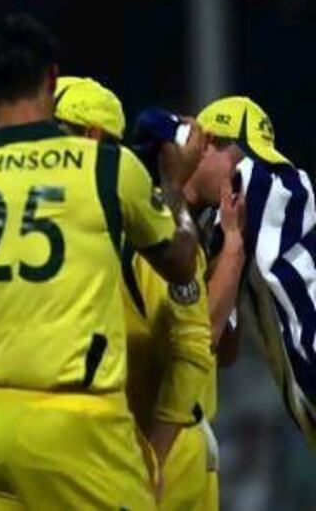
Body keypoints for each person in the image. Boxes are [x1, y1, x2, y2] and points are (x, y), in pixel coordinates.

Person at [0, 13, 201, 509]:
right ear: (52, 79)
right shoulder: (106, 168)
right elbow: (182, 266)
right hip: (76, 423)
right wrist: (174, 186)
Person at [55, 77, 219, 509]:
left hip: (161, 449)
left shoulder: (149, 233)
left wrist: (155, 459)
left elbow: (193, 346)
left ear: (91, 138)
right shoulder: (54, 225)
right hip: (97, 449)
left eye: (57, 130)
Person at [194, 96, 316, 449]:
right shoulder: (258, 209)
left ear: (213, 143)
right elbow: (224, 346)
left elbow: (204, 333)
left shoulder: (251, 177)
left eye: (196, 149)